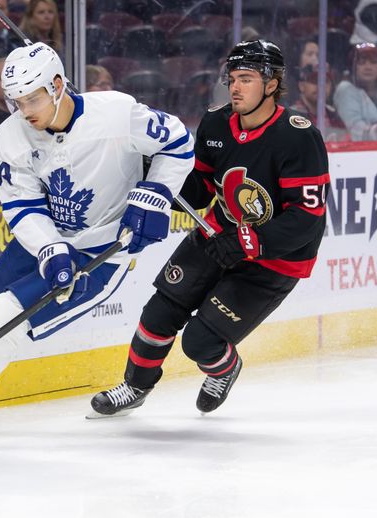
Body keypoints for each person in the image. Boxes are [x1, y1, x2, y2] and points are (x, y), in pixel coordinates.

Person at [0, 42, 195, 452]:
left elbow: (178, 142)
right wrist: (49, 248)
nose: (25, 110)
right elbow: (21, 204)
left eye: (32, 98)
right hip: (42, 241)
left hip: (98, 252)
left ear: (58, 85)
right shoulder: (11, 134)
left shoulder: (115, 113)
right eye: (16, 100)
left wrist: (155, 192)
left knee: (5, 318)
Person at [90, 40, 329, 417]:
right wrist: (156, 177)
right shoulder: (217, 123)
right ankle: (135, 387)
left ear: (271, 84)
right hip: (217, 234)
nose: (234, 87)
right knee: (159, 314)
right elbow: (199, 189)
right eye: (232, 78)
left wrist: (252, 241)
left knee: (200, 342)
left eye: (246, 79)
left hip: (275, 258)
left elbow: (307, 218)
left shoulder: (298, 136)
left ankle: (225, 368)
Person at [333, 42, 377, 140]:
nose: (368, 67)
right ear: (353, 67)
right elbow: (356, 129)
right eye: (362, 62)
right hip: (363, 151)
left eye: (373, 62)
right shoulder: (346, 89)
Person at [290, 65, 349, 141]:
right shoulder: (291, 115)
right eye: (314, 81)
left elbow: (346, 140)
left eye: (325, 81)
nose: (321, 86)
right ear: (301, 86)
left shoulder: (333, 114)